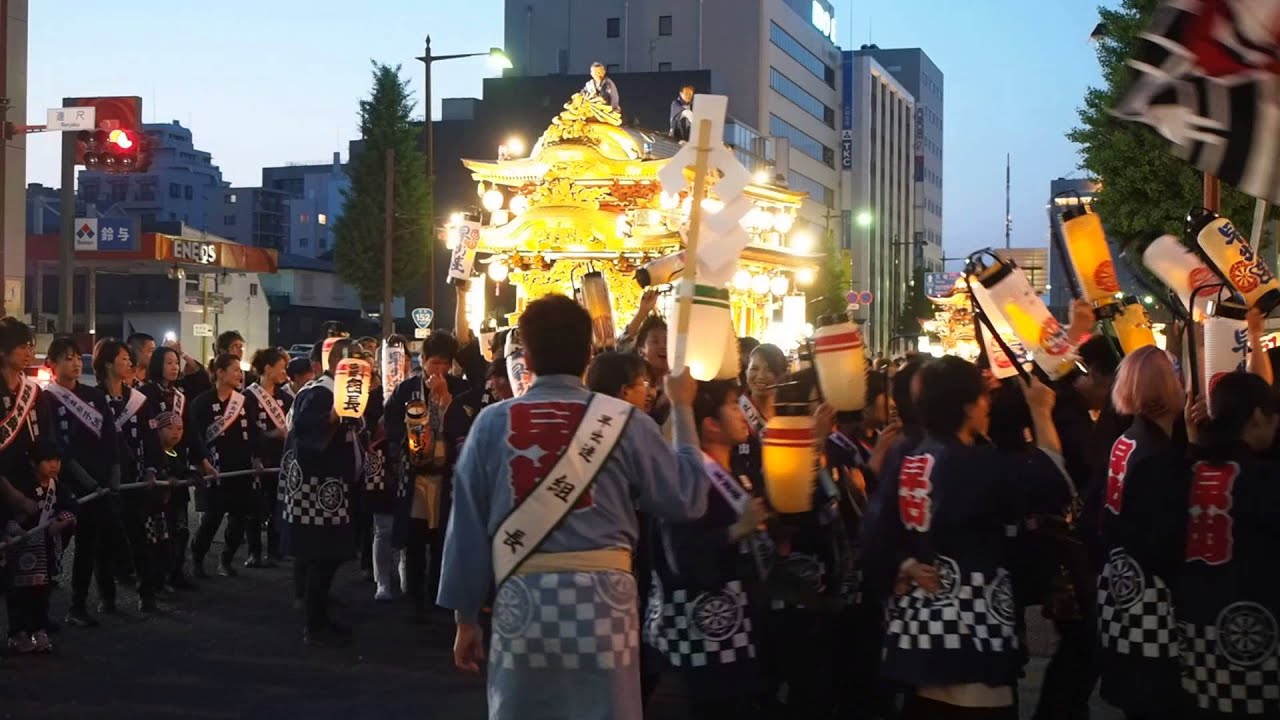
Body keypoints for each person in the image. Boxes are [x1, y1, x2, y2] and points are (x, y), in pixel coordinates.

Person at [438, 293, 710, 720]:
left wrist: (465, 617)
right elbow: (688, 499)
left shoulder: (492, 423)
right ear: (588, 354)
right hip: (605, 606)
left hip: (522, 600)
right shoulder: (626, 421)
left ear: (526, 356)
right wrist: (685, 410)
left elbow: (467, 526)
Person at [865, 356, 1072, 720]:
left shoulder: (907, 454)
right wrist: (1041, 412)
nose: (987, 405)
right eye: (982, 397)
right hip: (973, 630)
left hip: (919, 630)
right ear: (966, 405)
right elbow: (1051, 486)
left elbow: (874, 533)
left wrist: (906, 564)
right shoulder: (975, 465)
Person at [645, 378, 770, 719]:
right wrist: (735, 530)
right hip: (700, 633)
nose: (742, 412)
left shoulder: (736, 473)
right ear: (710, 425)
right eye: (732, 406)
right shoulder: (688, 478)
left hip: (736, 626)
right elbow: (682, 555)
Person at [1094, 346, 1190, 720]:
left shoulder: (1127, 441)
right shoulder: (1158, 457)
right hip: (1152, 598)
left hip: (1120, 584)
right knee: (1155, 698)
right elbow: (1163, 539)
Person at [1178, 372, 1280, 718]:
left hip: (1193, 637)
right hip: (1257, 639)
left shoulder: (1179, 472)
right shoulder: (1265, 479)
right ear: (1257, 416)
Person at [384, 330, 480, 623]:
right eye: (433, 363)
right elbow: (389, 426)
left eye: (444, 364)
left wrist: (446, 401)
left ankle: (439, 595)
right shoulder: (405, 390)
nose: (438, 370)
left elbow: (467, 428)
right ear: (422, 360)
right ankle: (415, 599)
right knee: (414, 542)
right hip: (416, 477)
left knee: (443, 541)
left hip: (446, 476)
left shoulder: (461, 389)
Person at [281, 338, 366, 647]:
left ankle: (318, 616)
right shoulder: (318, 392)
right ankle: (313, 624)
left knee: (329, 556)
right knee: (321, 556)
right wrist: (330, 418)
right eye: (350, 360)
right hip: (315, 489)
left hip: (333, 486)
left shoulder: (343, 394)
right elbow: (303, 428)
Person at [39, 337, 122, 628]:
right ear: (52, 364)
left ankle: (80, 604)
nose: (75, 363)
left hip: (99, 483)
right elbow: (57, 446)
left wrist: (113, 471)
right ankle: (39, 612)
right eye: (67, 358)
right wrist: (83, 479)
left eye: (77, 357)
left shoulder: (94, 396)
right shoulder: (46, 399)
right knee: (52, 546)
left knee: (92, 545)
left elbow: (110, 435)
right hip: (66, 484)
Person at [94, 338, 163, 612]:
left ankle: (147, 595)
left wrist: (151, 469)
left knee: (139, 539)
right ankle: (106, 598)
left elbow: (151, 439)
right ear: (108, 363)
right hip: (105, 483)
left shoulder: (139, 400)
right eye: (123, 358)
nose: (129, 363)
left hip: (134, 480)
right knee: (104, 543)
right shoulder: (93, 398)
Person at [188, 353, 263, 578]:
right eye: (235, 370)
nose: (240, 374)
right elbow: (195, 436)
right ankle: (198, 559)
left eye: (240, 370)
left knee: (239, 520)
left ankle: (227, 558)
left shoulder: (245, 401)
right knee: (212, 519)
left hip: (241, 469)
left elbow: (255, 431)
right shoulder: (202, 402)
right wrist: (201, 463)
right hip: (215, 469)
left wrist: (257, 456)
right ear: (220, 373)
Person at [4, 440, 76, 654]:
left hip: (45, 548)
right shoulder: (21, 487)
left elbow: (72, 506)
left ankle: (38, 629)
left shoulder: (58, 487)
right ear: (34, 464)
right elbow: (6, 514)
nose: (53, 465)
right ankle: (17, 633)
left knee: (41, 591)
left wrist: (62, 520)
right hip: (21, 549)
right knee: (18, 593)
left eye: (57, 461)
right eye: (47, 461)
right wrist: (15, 529)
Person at [138, 345, 196, 591]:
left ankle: (177, 572)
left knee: (180, 527)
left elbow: (191, 432)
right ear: (158, 365)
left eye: (176, 363)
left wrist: (200, 463)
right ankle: (155, 579)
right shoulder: (146, 394)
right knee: (157, 531)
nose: (174, 367)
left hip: (178, 464)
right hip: (155, 466)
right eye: (169, 362)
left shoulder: (181, 394)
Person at [245, 347, 292, 567]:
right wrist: (271, 435)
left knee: (277, 505)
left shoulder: (285, 397)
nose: (285, 373)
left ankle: (275, 550)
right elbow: (249, 431)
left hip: (280, 459)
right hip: (258, 459)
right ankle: (254, 552)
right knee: (255, 508)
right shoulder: (248, 397)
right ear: (267, 368)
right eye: (281, 368)